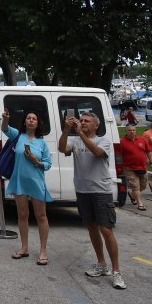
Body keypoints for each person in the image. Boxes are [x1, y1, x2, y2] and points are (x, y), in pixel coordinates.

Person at [58, 112, 126, 290]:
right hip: (82, 191)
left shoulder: (103, 141)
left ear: (96, 125)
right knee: (92, 227)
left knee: (106, 229)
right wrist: (66, 130)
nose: (83, 123)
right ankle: (101, 264)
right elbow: (61, 148)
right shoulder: (75, 141)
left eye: (87, 121)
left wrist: (80, 133)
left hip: (100, 191)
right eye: (81, 121)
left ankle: (116, 271)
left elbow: (97, 153)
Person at [1, 109, 52, 265]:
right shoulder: (18, 136)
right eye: (28, 118)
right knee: (22, 215)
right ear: (25, 122)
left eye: (34, 118)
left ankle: (43, 251)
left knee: (41, 216)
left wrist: (36, 161)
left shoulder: (42, 143)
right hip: (19, 181)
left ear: (37, 123)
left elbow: (48, 164)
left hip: (36, 182)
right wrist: (6, 118)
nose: (31, 120)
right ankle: (24, 248)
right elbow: (5, 129)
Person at [119, 124, 152, 211]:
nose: (132, 132)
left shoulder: (142, 139)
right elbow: (119, 155)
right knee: (135, 187)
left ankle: (132, 195)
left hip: (142, 167)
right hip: (129, 168)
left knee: (143, 186)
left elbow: (148, 151)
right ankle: (140, 203)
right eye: (130, 130)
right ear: (126, 131)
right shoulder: (122, 142)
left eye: (133, 130)